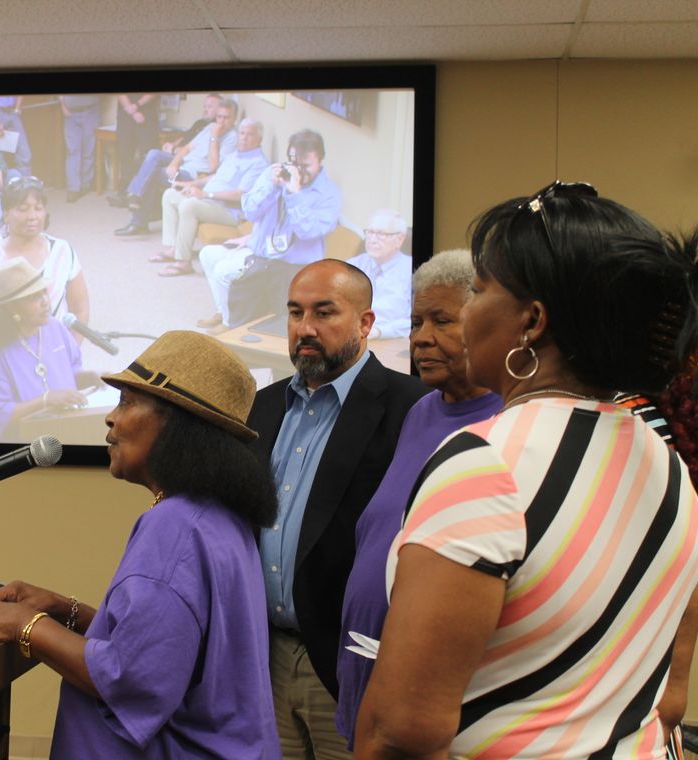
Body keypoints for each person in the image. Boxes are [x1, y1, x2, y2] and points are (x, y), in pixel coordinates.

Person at [355, 182, 698, 759]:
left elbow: (401, 733)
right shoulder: (664, 461)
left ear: (532, 322)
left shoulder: (488, 463)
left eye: (481, 288)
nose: (468, 309)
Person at [0, 330, 282, 758]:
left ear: (178, 426)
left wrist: (22, 625)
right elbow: (164, 648)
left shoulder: (175, 527)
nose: (111, 418)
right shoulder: (216, 516)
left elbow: (132, 677)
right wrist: (61, 608)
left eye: (127, 402)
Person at [247, 259, 426, 759]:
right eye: (295, 313)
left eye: (324, 313)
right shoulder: (261, 407)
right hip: (264, 659)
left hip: (349, 662)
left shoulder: (411, 407)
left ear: (366, 323)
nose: (306, 328)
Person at [334, 249, 502, 747]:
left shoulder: (505, 425)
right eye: (415, 321)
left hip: (430, 704)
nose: (421, 338)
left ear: (486, 323)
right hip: (364, 672)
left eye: (442, 321)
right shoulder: (422, 411)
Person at [197, 129, 343, 329]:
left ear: (321, 161)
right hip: (262, 257)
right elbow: (249, 212)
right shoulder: (273, 175)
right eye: (296, 164)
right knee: (215, 263)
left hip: (295, 267)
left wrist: (294, 194)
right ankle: (226, 319)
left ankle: (231, 327)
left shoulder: (329, 193)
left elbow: (307, 231)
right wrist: (271, 187)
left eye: (306, 165)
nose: (300, 171)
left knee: (226, 273)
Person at [0, 257, 98, 442]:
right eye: (34, 297)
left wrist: (90, 377)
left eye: (44, 293)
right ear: (12, 307)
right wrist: (45, 401)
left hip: (67, 430)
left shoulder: (56, 327)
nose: (45, 302)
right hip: (26, 446)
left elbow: (70, 373)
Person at [0, 176, 89, 343]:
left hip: (58, 353)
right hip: (10, 358)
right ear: (5, 214)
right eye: (22, 209)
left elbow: (80, 309)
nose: (32, 216)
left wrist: (70, 352)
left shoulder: (62, 251)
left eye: (38, 208)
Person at [150, 117, 269, 276]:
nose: (244, 138)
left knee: (189, 206)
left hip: (229, 211)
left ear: (259, 139)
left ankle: (183, 262)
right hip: (210, 201)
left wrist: (205, 193)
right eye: (241, 133)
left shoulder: (258, 163)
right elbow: (214, 177)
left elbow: (240, 195)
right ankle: (174, 249)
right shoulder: (236, 154)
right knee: (170, 195)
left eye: (249, 134)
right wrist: (191, 184)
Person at [113, 95, 235, 236]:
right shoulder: (210, 127)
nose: (222, 121)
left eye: (226, 118)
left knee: (151, 173)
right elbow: (187, 148)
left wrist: (215, 137)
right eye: (219, 117)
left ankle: (138, 221)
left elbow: (214, 168)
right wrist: (174, 163)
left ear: (234, 119)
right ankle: (134, 194)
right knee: (153, 154)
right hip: (183, 163)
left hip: (193, 174)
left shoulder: (232, 137)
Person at [347, 209, 412, 339]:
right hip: (351, 338)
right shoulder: (352, 266)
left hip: (392, 341)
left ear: (399, 239)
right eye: (370, 232)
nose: (372, 239)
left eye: (381, 234)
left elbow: (416, 320)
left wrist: (379, 331)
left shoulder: (412, 271)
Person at [110, 93, 159, 204]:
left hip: (147, 114)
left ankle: (142, 195)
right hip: (125, 114)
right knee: (125, 156)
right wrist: (133, 112)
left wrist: (136, 106)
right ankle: (124, 193)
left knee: (146, 157)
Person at [59, 94, 100, 202]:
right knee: (73, 151)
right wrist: (62, 106)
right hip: (70, 114)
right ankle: (73, 189)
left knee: (89, 151)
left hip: (91, 112)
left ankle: (86, 185)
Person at [0, 95, 32, 175]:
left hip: (12, 112)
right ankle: (1, 183)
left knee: (24, 151)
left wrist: (17, 108)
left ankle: (26, 183)